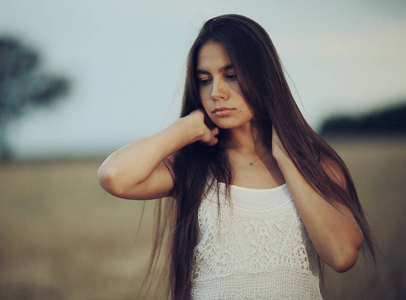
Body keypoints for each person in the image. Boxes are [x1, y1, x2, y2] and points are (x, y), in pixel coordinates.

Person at [98, 14, 376, 300]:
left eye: (230, 76)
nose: (216, 92)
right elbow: (114, 177)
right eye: (204, 80)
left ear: (264, 76)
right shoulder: (194, 167)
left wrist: (288, 159)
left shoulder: (317, 165)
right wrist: (185, 128)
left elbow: (342, 255)